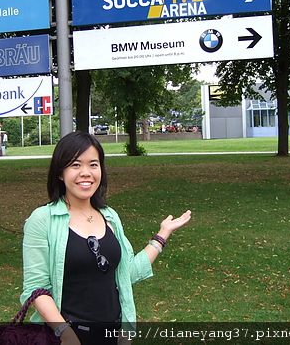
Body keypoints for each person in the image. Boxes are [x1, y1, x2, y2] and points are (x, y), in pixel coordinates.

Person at [21, 131, 192, 344]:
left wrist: (162, 235)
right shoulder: (43, 219)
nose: (86, 173)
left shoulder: (109, 216)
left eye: (93, 164)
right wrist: (65, 334)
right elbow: (37, 289)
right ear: (60, 173)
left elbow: (125, 273)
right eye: (75, 165)